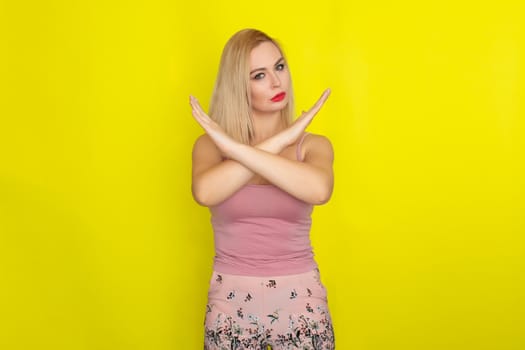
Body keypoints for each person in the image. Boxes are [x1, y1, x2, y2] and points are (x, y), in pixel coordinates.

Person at [189, 28, 335, 349]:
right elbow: (205, 193)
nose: (276, 82)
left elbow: (320, 190)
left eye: (279, 67)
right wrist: (279, 140)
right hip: (229, 303)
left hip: (302, 302)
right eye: (259, 75)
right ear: (238, 86)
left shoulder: (313, 146)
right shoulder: (210, 147)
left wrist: (239, 147)